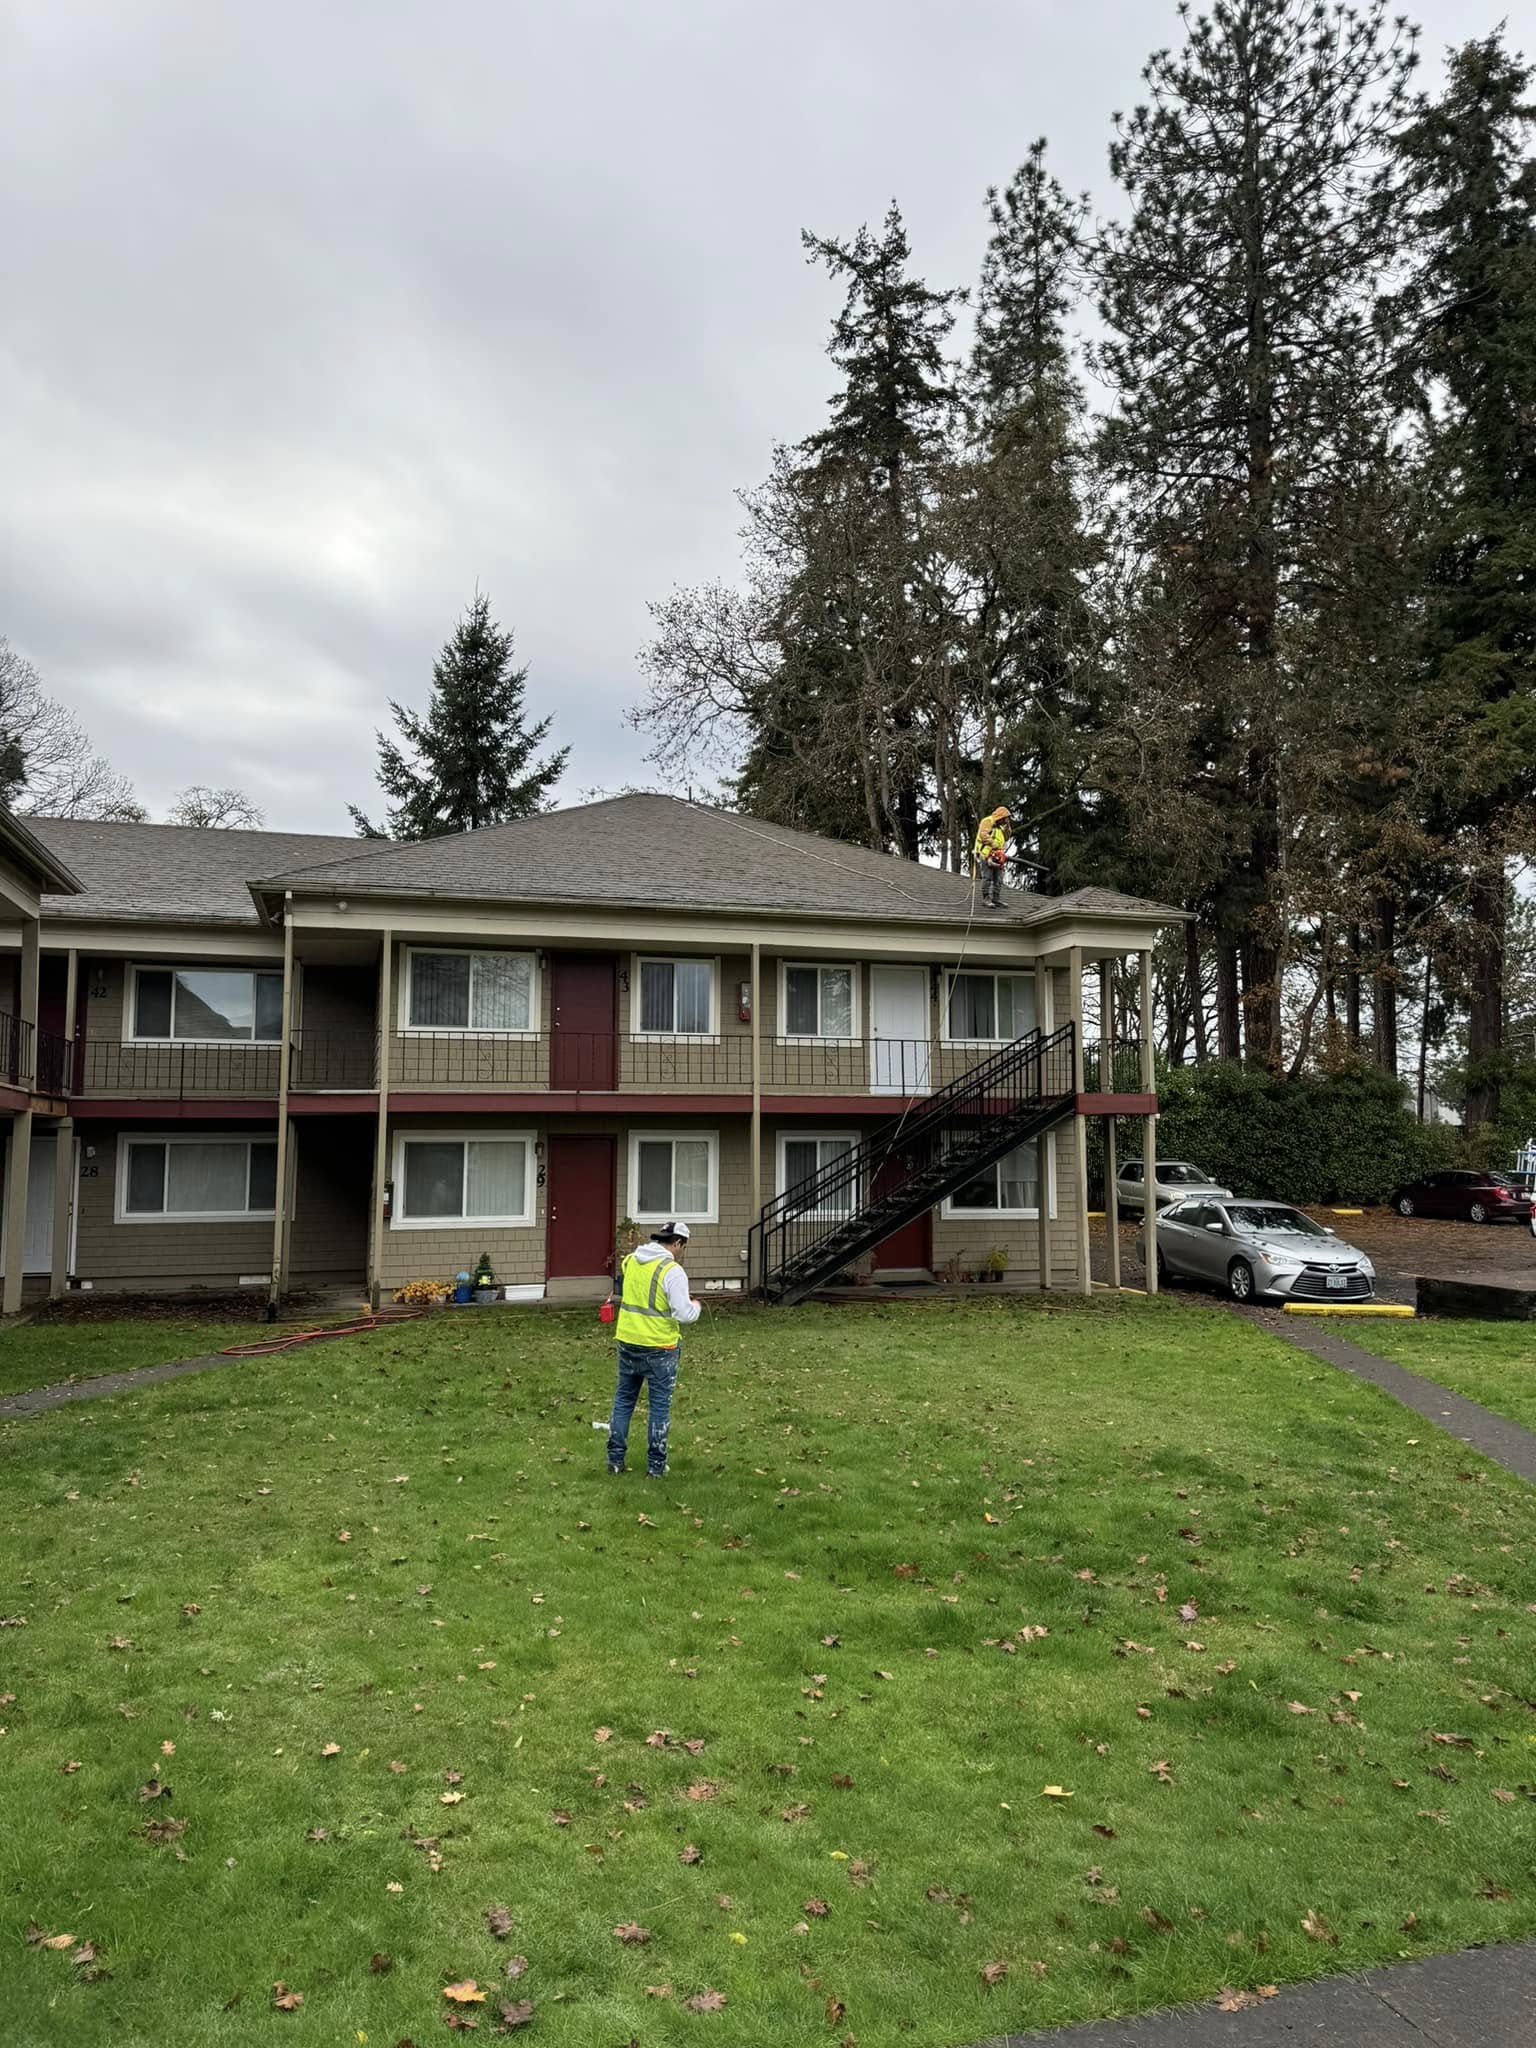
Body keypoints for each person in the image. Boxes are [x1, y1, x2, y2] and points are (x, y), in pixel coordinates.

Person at [606, 1220, 700, 1477]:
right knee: (659, 1407)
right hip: (660, 1346)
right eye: (683, 1247)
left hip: (627, 1340)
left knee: (624, 1400)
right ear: (678, 1243)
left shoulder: (631, 1261)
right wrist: (696, 1307)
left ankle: (615, 1461)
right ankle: (656, 1467)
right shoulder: (672, 1271)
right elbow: (683, 1313)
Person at [973, 805, 1012, 908]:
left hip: (998, 855)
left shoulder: (1000, 827)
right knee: (988, 877)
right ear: (1001, 817)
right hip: (987, 854)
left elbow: (1007, 837)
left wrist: (1008, 826)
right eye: (1005, 819)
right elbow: (983, 835)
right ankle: (986, 899)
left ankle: (996, 898)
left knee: (998, 878)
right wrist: (994, 844)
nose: (1005, 821)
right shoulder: (988, 821)